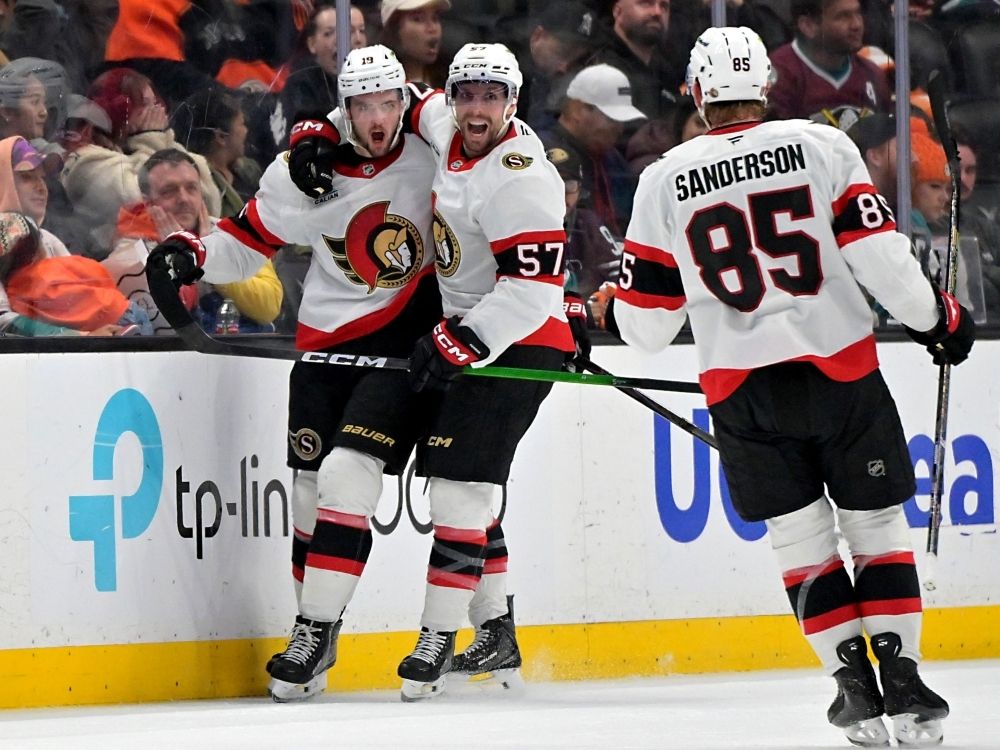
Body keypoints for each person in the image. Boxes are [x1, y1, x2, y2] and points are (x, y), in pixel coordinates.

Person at [601, 26, 969, 748]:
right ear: (765, 87)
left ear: (698, 94)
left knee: (800, 542)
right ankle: (905, 682)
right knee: (874, 530)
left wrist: (606, 307)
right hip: (841, 373)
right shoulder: (821, 145)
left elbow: (644, 329)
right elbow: (882, 260)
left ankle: (852, 689)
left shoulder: (662, 178)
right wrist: (938, 317)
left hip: (742, 393)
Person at [146, 45, 442, 702]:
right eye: (361, 105)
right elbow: (243, 243)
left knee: (344, 479)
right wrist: (191, 254)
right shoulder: (302, 172)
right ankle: (322, 636)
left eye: (387, 103)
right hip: (323, 352)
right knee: (308, 493)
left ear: (403, 100)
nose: (376, 118)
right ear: (348, 106)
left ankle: (310, 629)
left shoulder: (433, 143)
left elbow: (492, 126)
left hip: (401, 354)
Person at [290, 41, 579, 700]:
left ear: (513, 102)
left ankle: (438, 634)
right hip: (467, 336)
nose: (476, 109)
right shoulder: (441, 121)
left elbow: (531, 294)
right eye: (466, 94)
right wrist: (312, 131)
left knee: (457, 489)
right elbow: (379, 99)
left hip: (520, 343)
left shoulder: (521, 175)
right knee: (460, 483)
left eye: (491, 96)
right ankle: (497, 630)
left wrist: (463, 338)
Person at [109, 148, 281, 334]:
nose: (183, 199)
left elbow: (269, 308)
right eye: (169, 191)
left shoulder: (234, 232)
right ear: (148, 203)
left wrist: (208, 254)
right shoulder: (130, 252)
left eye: (191, 188)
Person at [540, 63, 646, 238]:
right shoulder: (542, 153)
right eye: (611, 118)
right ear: (578, 109)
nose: (620, 128)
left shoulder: (612, 159)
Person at [768, 0, 891, 120]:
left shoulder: (873, 74)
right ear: (808, 26)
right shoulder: (777, 76)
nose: (857, 25)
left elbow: (889, 135)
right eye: (843, 16)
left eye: (858, 13)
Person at [378, 0, 450, 87]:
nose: (432, 28)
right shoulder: (378, 86)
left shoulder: (452, 80)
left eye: (434, 18)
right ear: (393, 30)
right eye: (418, 19)